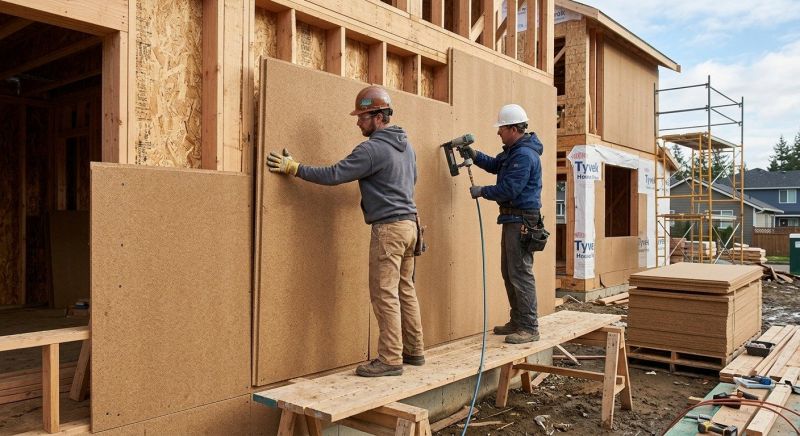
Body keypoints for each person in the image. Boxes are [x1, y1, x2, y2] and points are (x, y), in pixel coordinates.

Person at [266, 85, 425, 377]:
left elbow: (335, 174)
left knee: (384, 293)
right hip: (411, 225)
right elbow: (411, 178)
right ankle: (414, 351)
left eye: (363, 116)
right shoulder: (407, 145)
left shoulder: (372, 149)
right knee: (405, 290)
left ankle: (390, 359)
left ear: (378, 116)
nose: (358, 122)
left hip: (389, 230)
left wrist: (294, 168)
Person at [463, 104, 544, 344]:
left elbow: (510, 188)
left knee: (520, 273)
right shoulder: (514, 151)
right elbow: (496, 165)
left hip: (521, 220)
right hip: (513, 219)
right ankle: (518, 321)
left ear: (512, 128)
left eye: (501, 128)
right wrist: (475, 155)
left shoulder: (524, 154)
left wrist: (481, 191)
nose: (498, 132)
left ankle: (529, 327)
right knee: (509, 272)